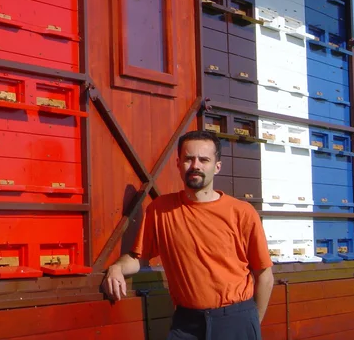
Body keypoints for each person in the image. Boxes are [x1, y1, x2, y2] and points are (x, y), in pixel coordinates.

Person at [103, 130, 274, 340]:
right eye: (189, 159)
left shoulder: (242, 212)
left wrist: (252, 324)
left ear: (217, 167)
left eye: (204, 160)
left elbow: (264, 276)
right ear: (178, 164)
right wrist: (116, 268)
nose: (196, 166)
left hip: (235, 319)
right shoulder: (160, 210)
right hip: (186, 323)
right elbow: (139, 258)